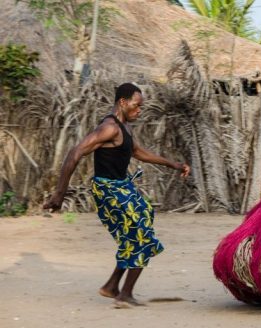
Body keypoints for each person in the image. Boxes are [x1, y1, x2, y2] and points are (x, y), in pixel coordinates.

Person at [43, 82, 190, 308]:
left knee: (144, 218)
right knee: (141, 235)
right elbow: (76, 152)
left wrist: (175, 165)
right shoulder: (109, 127)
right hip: (108, 189)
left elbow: (140, 153)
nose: (139, 111)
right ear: (123, 102)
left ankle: (112, 286)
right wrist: (59, 194)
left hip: (123, 187)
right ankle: (125, 294)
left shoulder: (125, 128)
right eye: (137, 105)